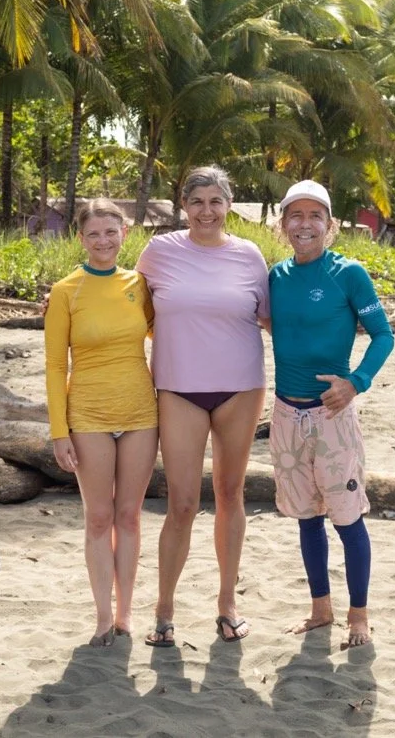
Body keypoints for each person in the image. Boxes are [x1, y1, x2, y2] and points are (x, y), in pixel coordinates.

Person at [136, 166, 270, 647]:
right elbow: (124, 303)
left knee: (231, 494)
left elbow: (276, 319)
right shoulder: (159, 252)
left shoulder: (249, 256)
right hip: (178, 390)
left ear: (228, 205)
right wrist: (65, 302)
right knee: (183, 503)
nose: (206, 211)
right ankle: (164, 610)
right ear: (183, 206)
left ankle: (227, 603)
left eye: (216, 201)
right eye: (197, 202)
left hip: (241, 389)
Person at [267, 180, 394, 649]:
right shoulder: (275, 277)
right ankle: (320, 609)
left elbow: (383, 335)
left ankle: (358, 616)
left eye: (314, 216)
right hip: (285, 415)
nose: (305, 225)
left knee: (347, 520)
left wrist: (355, 382)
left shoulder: (349, 273)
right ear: (283, 225)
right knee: (306, 519)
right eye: (295, 216)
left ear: (330, 225)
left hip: (332, 415)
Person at [44, 198, 159, 648]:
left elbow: (167, 331)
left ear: (124, 234)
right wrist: (59, 432)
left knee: (129, 516)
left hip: (140, 413)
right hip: (88, 416)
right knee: (98, 517)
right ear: (81, 238)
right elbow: (56, 366)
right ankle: (102, 616)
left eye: (111, 232)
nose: (103, 241)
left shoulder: (140, 285)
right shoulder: (65, 292)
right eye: (93, 233)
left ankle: (126, 613)